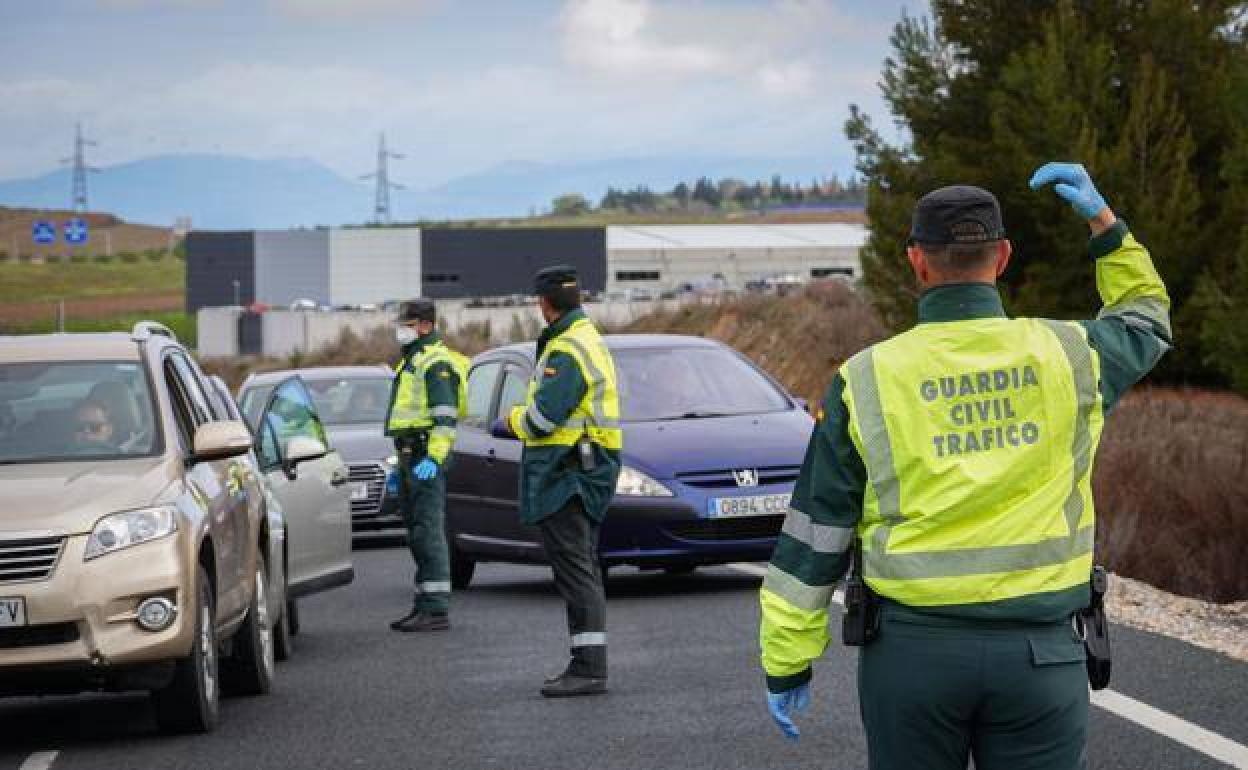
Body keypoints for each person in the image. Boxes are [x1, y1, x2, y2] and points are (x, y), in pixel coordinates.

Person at [758, 163, 1171, 768]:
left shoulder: (865, 378)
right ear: (1002, 258)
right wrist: (1106, 227)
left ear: (916, 262)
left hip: (912, 660)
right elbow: (1146, 319)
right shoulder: (1070, 355)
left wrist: (786, 659)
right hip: (1041, 655)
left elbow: (816, 532)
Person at [491, 265, 623, 697]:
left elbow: (543, 420)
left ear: (544, 304)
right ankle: (588, 663)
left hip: (568, 473)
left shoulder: (567, 348)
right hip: (584, 469)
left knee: (576, 572)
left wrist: (511, 420)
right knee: (582, 569)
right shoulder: (585, 338)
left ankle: (588, 668)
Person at [384, 298, 464, 633]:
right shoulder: (412, 360)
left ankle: (435, 608)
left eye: (408, 324)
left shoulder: (435, 362)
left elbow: (445, 419)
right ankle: (423, 603)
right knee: (417, 531)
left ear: (426, 326)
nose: (402, 330)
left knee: (428, 531)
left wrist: (434, 458)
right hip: (409, 455)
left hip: (424, 455)